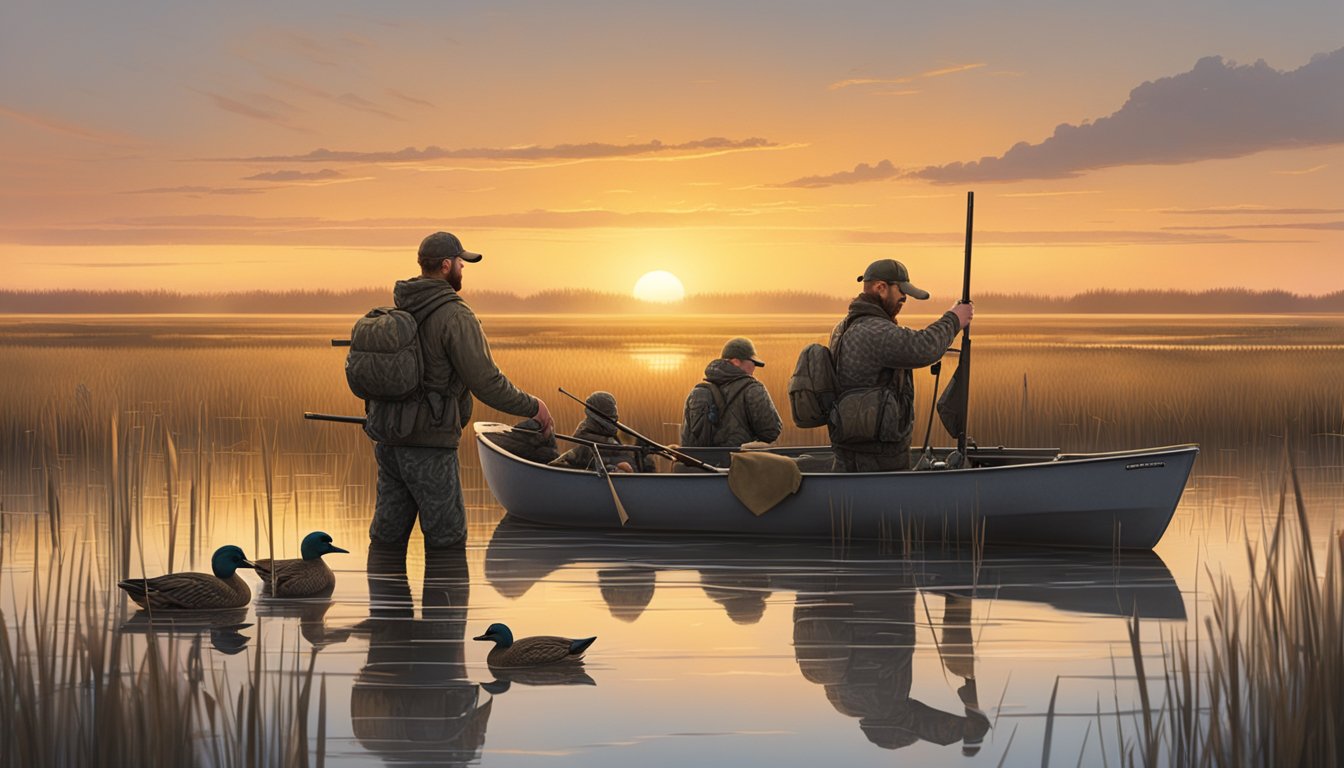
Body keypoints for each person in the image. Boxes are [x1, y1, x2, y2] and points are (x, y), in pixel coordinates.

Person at [366, 231, 553, 550]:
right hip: (430, 446)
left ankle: (385, 598)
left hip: (389, 440)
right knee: (447, 541)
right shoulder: (456, 314)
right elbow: (487, 382)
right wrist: (533, 406)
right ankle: (446, 598)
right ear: (445, 265)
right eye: (461, 263)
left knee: (386, 538)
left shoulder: (400, 309)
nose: (463, 269)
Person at [829, 259, 972, 472]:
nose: (905, 297)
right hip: (877, 455)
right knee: (884, 505)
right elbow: (922, 348)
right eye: (901, 290)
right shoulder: (873, 331)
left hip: (852, 448)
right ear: (881, 288)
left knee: (850, 503)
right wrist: (954, 320)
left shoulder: (843, 327)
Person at [680, 337, 783, 447]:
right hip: (740, 462)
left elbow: (687, 440)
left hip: (700, 462)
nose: (754, 368)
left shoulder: (697, 392)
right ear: (736, 362)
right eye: (752, 362)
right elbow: (771, 432)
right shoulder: (753, 389)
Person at [550, 391, 652, 473]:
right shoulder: (582, 442)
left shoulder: (613, 438)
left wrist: (641, 456)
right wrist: (610, 469)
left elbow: (626, 461)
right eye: (610, 412)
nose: (616, 416)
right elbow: (558, 467)